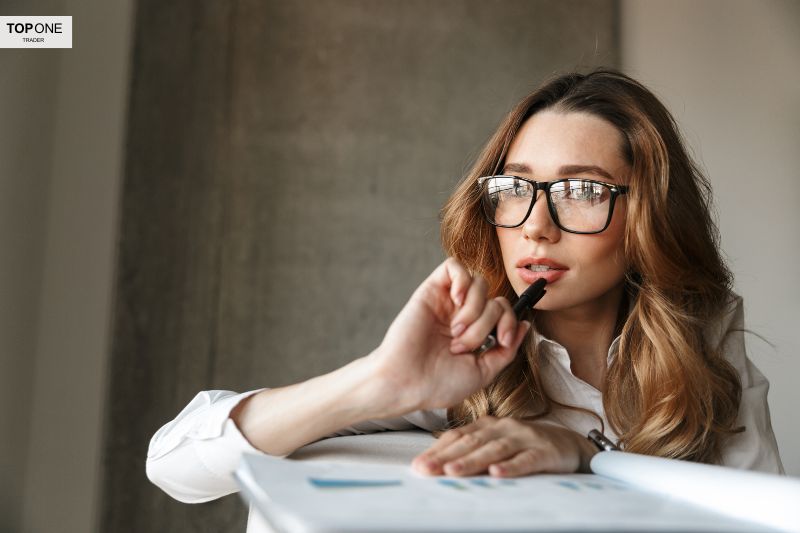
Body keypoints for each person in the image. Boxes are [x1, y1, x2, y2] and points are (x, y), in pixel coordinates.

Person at [146, 68, 784, 528]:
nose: (536, 224)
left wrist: (587, 455)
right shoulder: (463, 352)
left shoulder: (703, 337)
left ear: (649, 216)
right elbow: (175, 466)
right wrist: (378, 381)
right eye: (516, 187)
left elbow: (758, 513)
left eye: (582, 191)